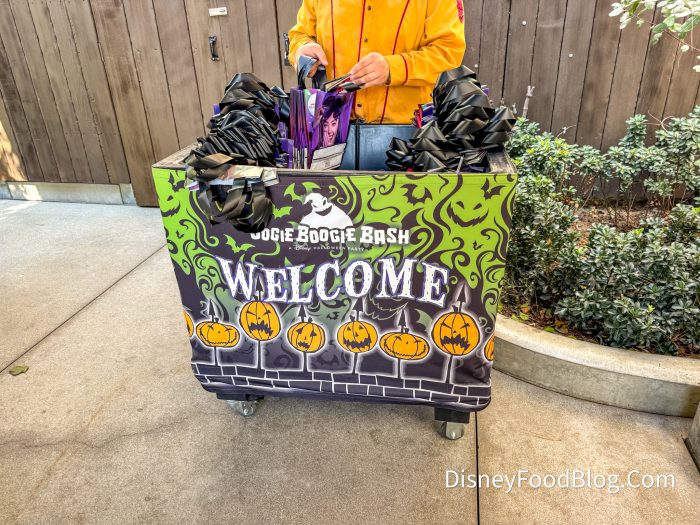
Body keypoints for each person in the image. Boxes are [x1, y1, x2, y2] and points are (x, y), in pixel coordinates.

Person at [288, 0, 467, 125]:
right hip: (330, 131)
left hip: (408, 137)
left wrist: (393, 68)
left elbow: (448, 54)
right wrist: (302, 49)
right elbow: (300, 34)